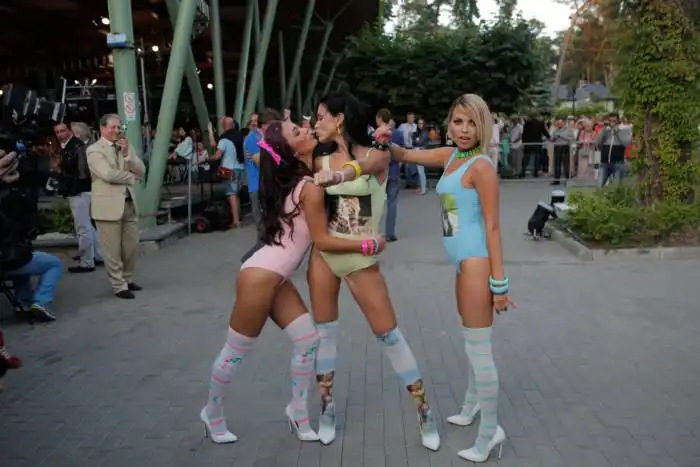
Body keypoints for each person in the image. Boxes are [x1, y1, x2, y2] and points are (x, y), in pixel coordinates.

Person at [200, 119, 385, 444]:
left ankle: (297, 412)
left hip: (275, 276)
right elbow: (322, 241)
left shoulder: (301, 180)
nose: (308, 129)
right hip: (260, 278)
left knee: (308, 341)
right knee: (236, 351)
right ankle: (212, 412)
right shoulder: (308, 187)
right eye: (298, 132)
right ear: (290, 151)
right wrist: (369, 245)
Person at [309, 92, 440, 451]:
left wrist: (339, 173)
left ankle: (424, 410)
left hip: (361, 259)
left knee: (389, 336)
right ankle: (326, 407)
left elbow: (364, 168)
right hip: (325, 255)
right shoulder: (318, 157)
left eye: (320, 116)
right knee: (325, 335)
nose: (316, 123)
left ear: (339, 119)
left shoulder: (376, 155)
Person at [389, 94, 513, 463]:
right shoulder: (450, 156)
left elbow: (493, 227)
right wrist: (381, 140)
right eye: (458, 121)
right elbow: (405, 154)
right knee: (470, 340)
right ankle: (472, 404)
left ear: (483, 126)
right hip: (460, 263)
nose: (464, 129)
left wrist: (500, 284)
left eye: (472, 123)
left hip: (477, 263)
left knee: (479, 350)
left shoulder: (481, 167)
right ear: (449, 123)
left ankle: (490, 432)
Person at [87, 114, 146, 299]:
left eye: (119, 127)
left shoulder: (125, 146)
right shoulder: (94, 150)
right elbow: (108, 174)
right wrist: (131, 177)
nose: (117, 131)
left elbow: (142, 169)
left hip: (128, 203)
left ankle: (127, 278)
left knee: (132, 247)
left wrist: (128, 154)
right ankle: (118, 285)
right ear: (102, 128)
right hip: (107, 207)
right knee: (112, 250)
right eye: (112, 127)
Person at [1, 150, 63, 321]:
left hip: (9, 257)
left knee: (24, 258)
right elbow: (26, 227)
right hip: (8, 259)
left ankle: (23, 303)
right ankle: (42, 301)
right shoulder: (13, 197)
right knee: (53, 264)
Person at [53, 122, 103, 273]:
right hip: (82, 189)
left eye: (62, 131)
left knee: (82, 227)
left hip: (78, 191)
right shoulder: (74, 146)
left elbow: (81, 172)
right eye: (57, 132)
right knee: (88, 226)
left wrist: (63, 177)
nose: (60, 134)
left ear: (70, 131)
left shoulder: (75, 146)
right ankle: (98, 255)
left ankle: (87, 261)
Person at [209, 117, 245, 228]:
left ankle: (236, 221)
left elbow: (217, 155)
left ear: (224, 126)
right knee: (236, 194)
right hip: (240, 168)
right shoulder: (239, 136)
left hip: (228, 169)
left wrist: (209, 158)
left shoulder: (224, 139)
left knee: (231, 194)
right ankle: (238, 217)